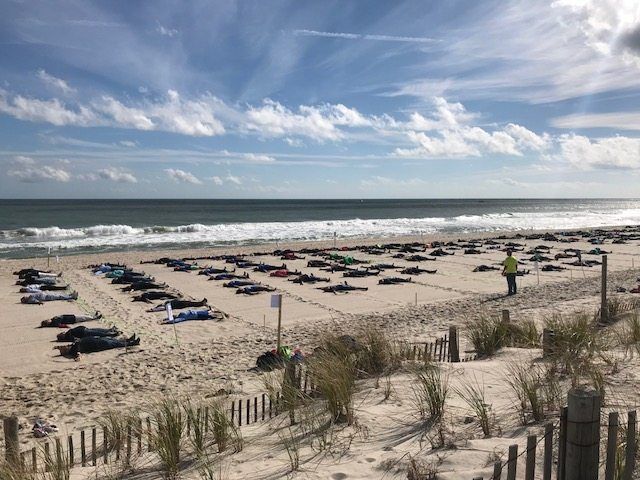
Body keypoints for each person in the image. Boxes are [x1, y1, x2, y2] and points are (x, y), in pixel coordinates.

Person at [55, 335, 140, 360]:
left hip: (97, 340)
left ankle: (129, 341)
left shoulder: (72, 345)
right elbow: (78, 354)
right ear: (66, 351)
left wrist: (57, 347)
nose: (65, 346)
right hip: (99, 345)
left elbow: (62, 347)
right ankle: (132, 343)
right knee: (115, 344)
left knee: (115, 341)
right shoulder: (74, 350)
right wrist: (78, 358)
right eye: (64, 348)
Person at [57, 326, 121, 341]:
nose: (62, 333)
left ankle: (110, 330)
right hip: (84, 333)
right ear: (62, 337)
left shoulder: (67, 333)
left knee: (98, 330)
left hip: (84, 329)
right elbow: (75, 339)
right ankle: (112, 334)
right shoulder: (68, 336)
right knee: (98, 333)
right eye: (61, 334)